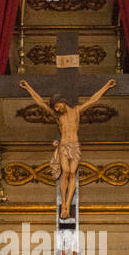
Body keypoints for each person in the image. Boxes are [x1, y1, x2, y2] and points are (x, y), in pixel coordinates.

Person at [19, 76, 117, 219]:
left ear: (62, 102)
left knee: (72, 173)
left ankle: (68, 203)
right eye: (55, 108)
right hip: (64, 145)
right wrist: (28, 87)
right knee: (65, 172)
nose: (56, 109)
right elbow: (40, 103)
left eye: (57, 106)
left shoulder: (76, 111)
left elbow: (93, 100)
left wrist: (107, 86)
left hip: (75, 146)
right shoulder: (58, 116)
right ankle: (63, 204)